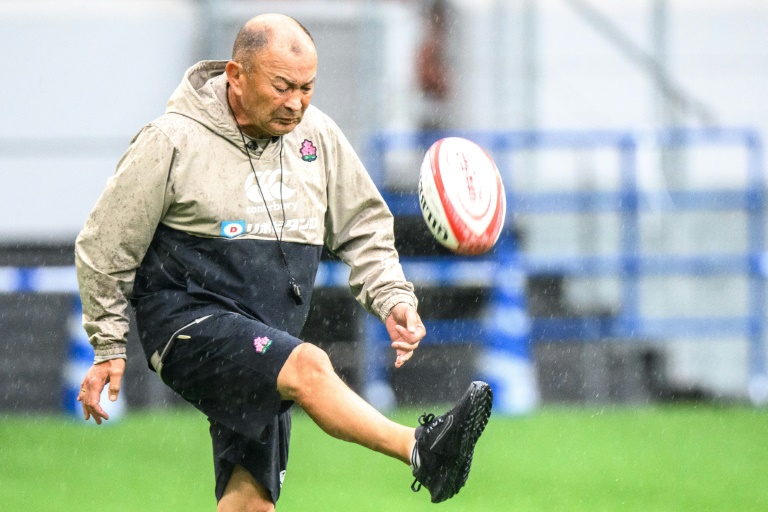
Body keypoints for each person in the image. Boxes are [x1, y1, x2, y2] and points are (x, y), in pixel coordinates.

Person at [75, 13, 492, 510]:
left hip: (265, 342)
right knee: (310, 366)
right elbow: (104, 245)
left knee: (249, 505)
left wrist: (393, 299)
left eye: (307, 87)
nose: (296, 102)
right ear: (236, 75)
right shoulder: (171, 140)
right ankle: (423, 450)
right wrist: (107, 344)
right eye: (282, 86)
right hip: (187, 326)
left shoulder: (318, 138)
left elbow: (363, 227)